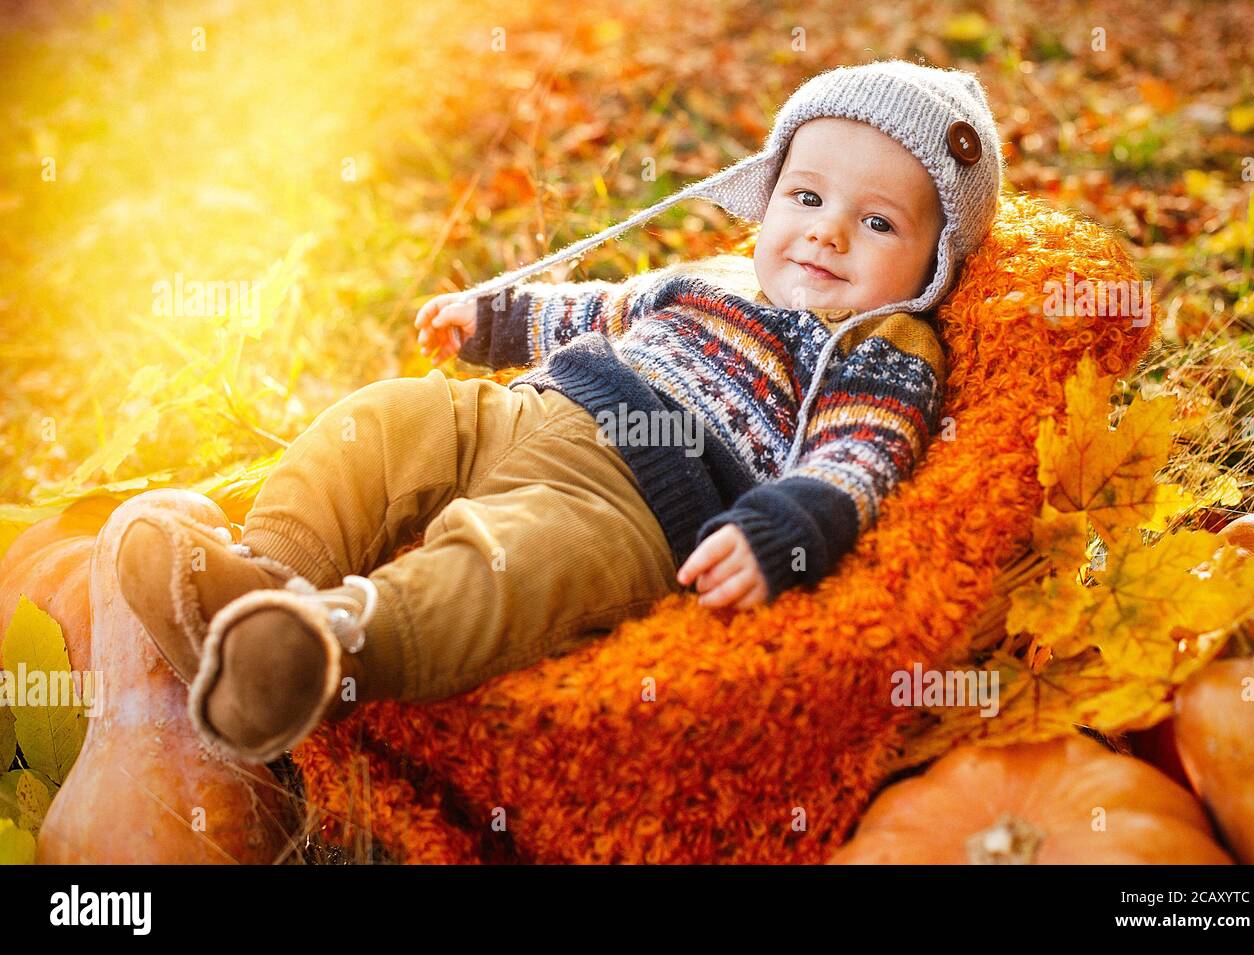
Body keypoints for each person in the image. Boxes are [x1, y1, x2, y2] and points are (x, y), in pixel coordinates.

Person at [115, 60, 1004, 764]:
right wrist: (496, 320)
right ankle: (264, 576)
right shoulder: (716, 278)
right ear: (766, 195)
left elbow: (861, 453)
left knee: (506, 565)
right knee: (386, 422)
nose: (827, 231)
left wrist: (781, 526)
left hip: (633, 504)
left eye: (878, 222)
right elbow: (596, 309)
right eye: (806, 197)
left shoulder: (881, 343)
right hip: (528, 409)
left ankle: (328, 645)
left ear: (933, 266)